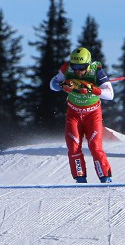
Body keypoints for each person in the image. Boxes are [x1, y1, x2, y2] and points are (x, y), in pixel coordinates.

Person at [49, 47, 115, 184]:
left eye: (82, 67)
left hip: (92, 114)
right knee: (73, 147)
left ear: (88, 63)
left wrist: (92, 88)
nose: (78, 71)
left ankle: (105, 178)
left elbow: (110, 94)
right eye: (75, 67)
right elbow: (51, 84)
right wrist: (62, 85)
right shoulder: (67, 69)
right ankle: (80, 179)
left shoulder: (96, 71)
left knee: (95, 146)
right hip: (73, 113)